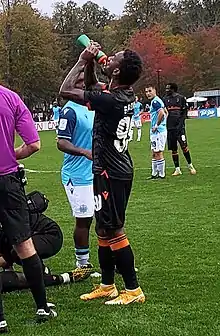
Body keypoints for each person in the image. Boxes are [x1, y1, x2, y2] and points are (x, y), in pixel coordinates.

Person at [59, 43, 145, 305]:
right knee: (104, 227)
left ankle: (133, 289)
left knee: (115, 229)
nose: (109, 57)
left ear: (116, 71)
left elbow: (65, 91)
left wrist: (81, 60)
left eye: (113, 58)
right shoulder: (122, 94)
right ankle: (107, 285)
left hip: (112, 171)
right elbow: (93, 85)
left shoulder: (111, 99)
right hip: (110, 168)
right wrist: (91, 65)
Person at [0, 85, 57, 333]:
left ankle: (0, 319)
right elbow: (33, 144)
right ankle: (42, 307)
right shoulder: (11, 97)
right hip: (8, 181)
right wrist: (9, 156)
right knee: (24, 245)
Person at [0, 191, 86, 293]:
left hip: (48, 234)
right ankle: (59, 277)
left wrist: (6, 260)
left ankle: (53, 277)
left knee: (20, 252)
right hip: (26, 236)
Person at [57, 72, 95, 280]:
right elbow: (61, 142)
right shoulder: (69, 111)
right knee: (84, 220)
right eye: (79, 83)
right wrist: (84, 152)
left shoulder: (90, 106)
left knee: (106, 219)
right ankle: (83, 265)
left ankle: (113, 260)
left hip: (96, 172)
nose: (84, 86)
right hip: (77, 175)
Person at [163, 83, 196, 176]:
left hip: (180, 127)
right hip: (170, 127)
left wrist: (180, 124)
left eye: (168, 88)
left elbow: (184, 112)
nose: (166, 90)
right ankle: (177, 169)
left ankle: (190, 165)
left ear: (173, 89)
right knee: (173, 149)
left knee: (184, 146)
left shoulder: (181, 98)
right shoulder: (165, 99)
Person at [145, 86, 167, 179]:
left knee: (158, 152)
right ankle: (154, 174)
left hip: (158, 131)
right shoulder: (156, 101)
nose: (148, 93)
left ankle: (161, 174)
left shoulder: (155, 101)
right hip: (156, 131)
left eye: (150, 91)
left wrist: (157, 125)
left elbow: (162, 112)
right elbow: (166, 112)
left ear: (155, 91)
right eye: (146, 91)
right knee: (154, 152)